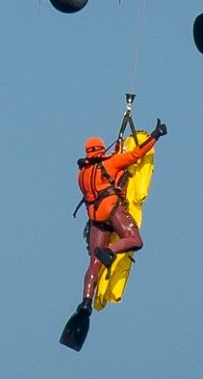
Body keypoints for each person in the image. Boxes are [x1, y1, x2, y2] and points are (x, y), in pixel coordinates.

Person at [74, 121, 167, 317]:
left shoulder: (81, 174)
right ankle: (108, 250)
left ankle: (85, 303)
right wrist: (155, 136)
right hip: (111, 211)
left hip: (95, 220)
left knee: (93, 264)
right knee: (135, 240)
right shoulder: (108, 163)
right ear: (100, 149)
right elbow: (135, 155)